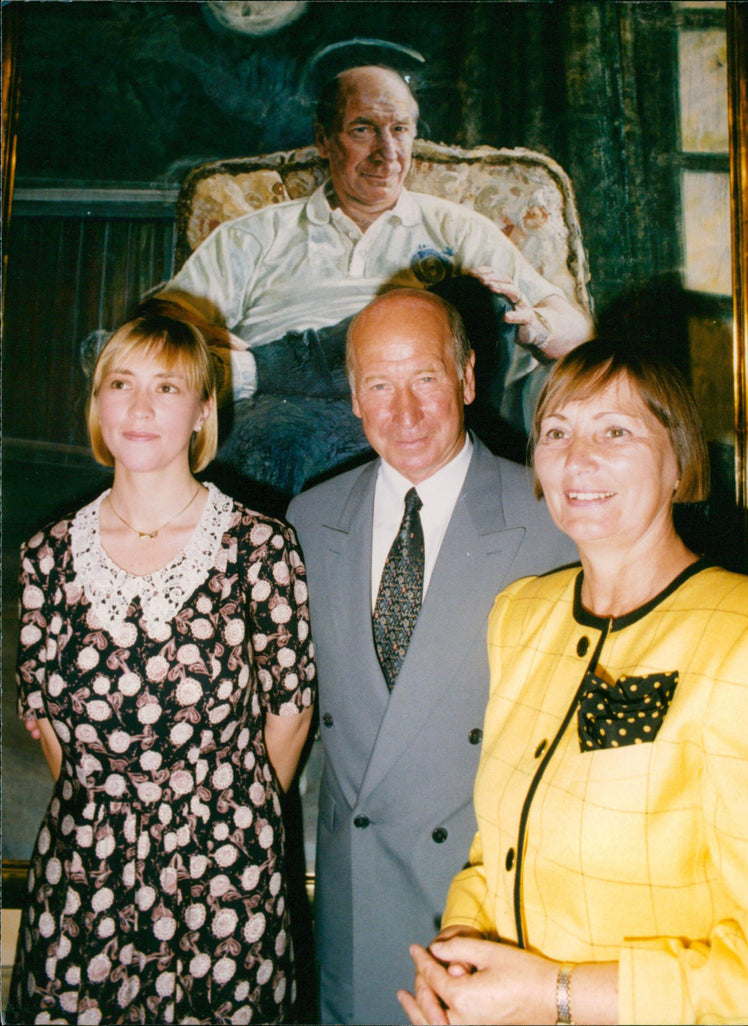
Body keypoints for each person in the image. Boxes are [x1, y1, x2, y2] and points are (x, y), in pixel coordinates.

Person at [398, 339, 748, 1026]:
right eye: (557, 432)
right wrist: (465, 943)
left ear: (678, 459)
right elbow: (497, 845)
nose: (577, 460)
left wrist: (553, 994)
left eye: (615, 431)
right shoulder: (520, 616)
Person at [8, 312, 316, 1024]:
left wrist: (220, 819)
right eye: (121, 383)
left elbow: (290, 715)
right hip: (84, 872)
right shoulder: (45, 557)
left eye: (168, 387)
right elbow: (49, 728)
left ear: (204, 409)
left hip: (228, 875)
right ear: (98, 404)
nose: (140, 407)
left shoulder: (261, 548)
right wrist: (120, 817)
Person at [285, 288, 577, 1024]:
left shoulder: (551, 521)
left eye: (425, 379)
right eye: (379, 385)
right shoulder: (310, 521)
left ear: (469, 379)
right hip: (355, 920)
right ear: (354, 396)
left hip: (490, 920)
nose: (404, 412)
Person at [160, 63, 592, 494]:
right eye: (363, 130)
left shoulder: (459, 230)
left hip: (417, 403)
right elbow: (160, 317)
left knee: (472, 296)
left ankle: (257, 369)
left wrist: (537, 325)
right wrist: (204, 331)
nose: (387, 152)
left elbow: (578, 329)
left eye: (400, 130)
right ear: (324, 139)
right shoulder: (256, 235)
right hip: (290, 414)